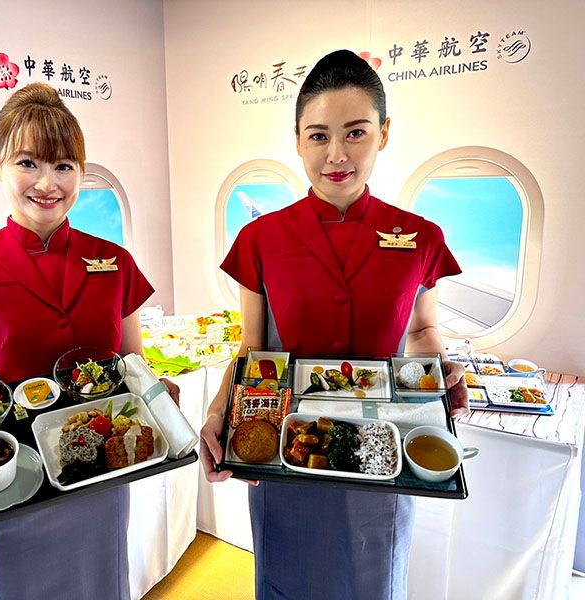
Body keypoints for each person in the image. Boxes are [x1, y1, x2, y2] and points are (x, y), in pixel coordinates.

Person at [200, 50, 469, 600]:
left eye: (356, 133)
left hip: (385, 448)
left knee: (376, 577)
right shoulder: (261, 238)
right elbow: (254, 349)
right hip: (289, 446)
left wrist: (440, 368)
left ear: (384, 134)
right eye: (319, 136)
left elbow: (420, 333)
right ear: (298, 140)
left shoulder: (419, 235)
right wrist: (218, 409)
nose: (337, 155)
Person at [0, 82, 176, 600]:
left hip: (98, 479)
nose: (48, 183)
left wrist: (159, 393)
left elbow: (134, 364)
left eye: (65, 166)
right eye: (28, 162)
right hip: (9, 489)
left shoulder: (114, 262)